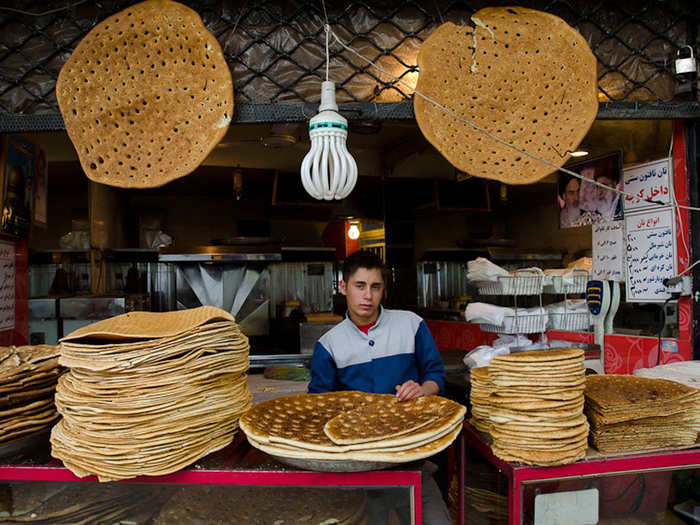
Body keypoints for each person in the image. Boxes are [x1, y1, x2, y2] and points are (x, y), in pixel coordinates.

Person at [309, 249, 450, 525]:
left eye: (375, 287)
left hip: (412, 458)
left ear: (383, 288)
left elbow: (436, 376)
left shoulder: (411, 325)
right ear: (343, 287)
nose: (368, 296)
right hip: (358, 469)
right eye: (359, 286)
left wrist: (423, 389)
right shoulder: (329, 344)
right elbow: (319, 407)